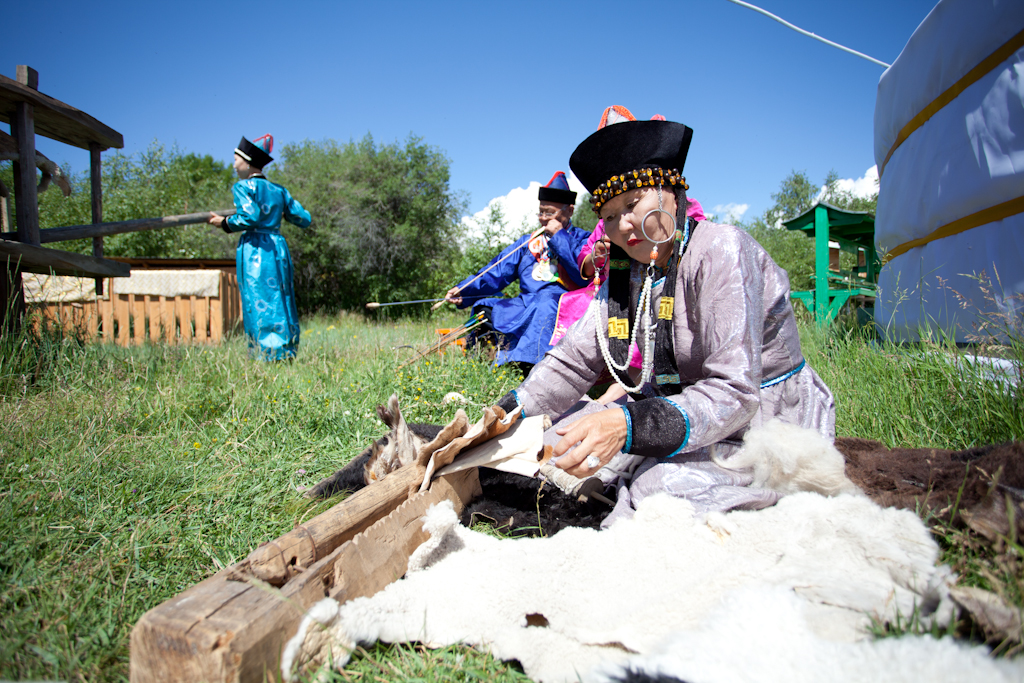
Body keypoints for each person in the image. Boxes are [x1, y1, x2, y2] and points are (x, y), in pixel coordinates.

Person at [494, 115, 835, 526]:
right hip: (672, 409)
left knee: (656, 490)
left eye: (632, 203)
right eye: (609, 214)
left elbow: (736, 393)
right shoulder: (626, 272)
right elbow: (575, 361)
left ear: (672, 192)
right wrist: (505, 412)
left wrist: (627, 424)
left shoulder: (721, 250)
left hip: (759, 421)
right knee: (554, 443)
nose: (622, 224)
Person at [444, 172, 591, 374]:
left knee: (546, 300)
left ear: (570, 211)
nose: (543, 219)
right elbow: (496, 271)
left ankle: (525, 370)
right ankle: (478, 366)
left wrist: (559, 237)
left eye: (549, 213)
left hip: (563, 305)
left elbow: (583, 273)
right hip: (526, 303)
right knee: (484, 307)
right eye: (540, 213)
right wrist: (464, 289)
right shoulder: (528, 242)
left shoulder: (584, 240)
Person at [208, 134, 312, 361]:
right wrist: (279, 211)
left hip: (256, 249)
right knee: (281, 297)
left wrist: (224, 222)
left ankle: (265, 355)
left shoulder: (244, 187)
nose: (234, 165)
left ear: (246, 162)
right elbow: (303, 218)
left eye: (236, 159)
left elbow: (250, 216)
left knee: (258, 298)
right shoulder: (279, 191)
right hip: (277, 247)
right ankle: (286, 351)